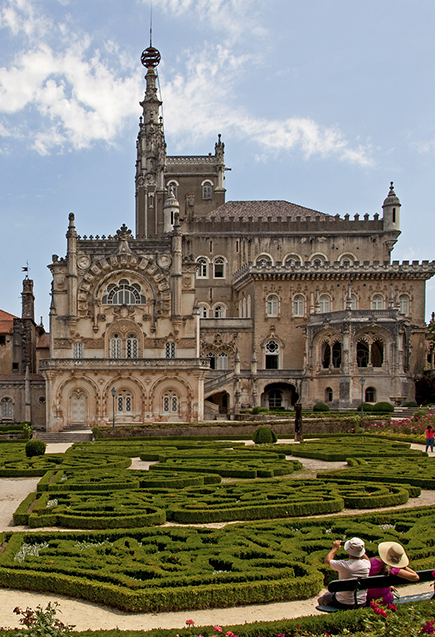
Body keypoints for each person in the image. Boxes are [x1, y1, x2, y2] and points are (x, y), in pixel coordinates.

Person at [317, 537, 370, 609]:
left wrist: (334, 548)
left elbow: (327, 561)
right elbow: (367, 560)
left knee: (323, 599)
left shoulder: (344, 565)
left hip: (343, 603)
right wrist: (358, 550)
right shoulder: (366, 564)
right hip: (361, 602)